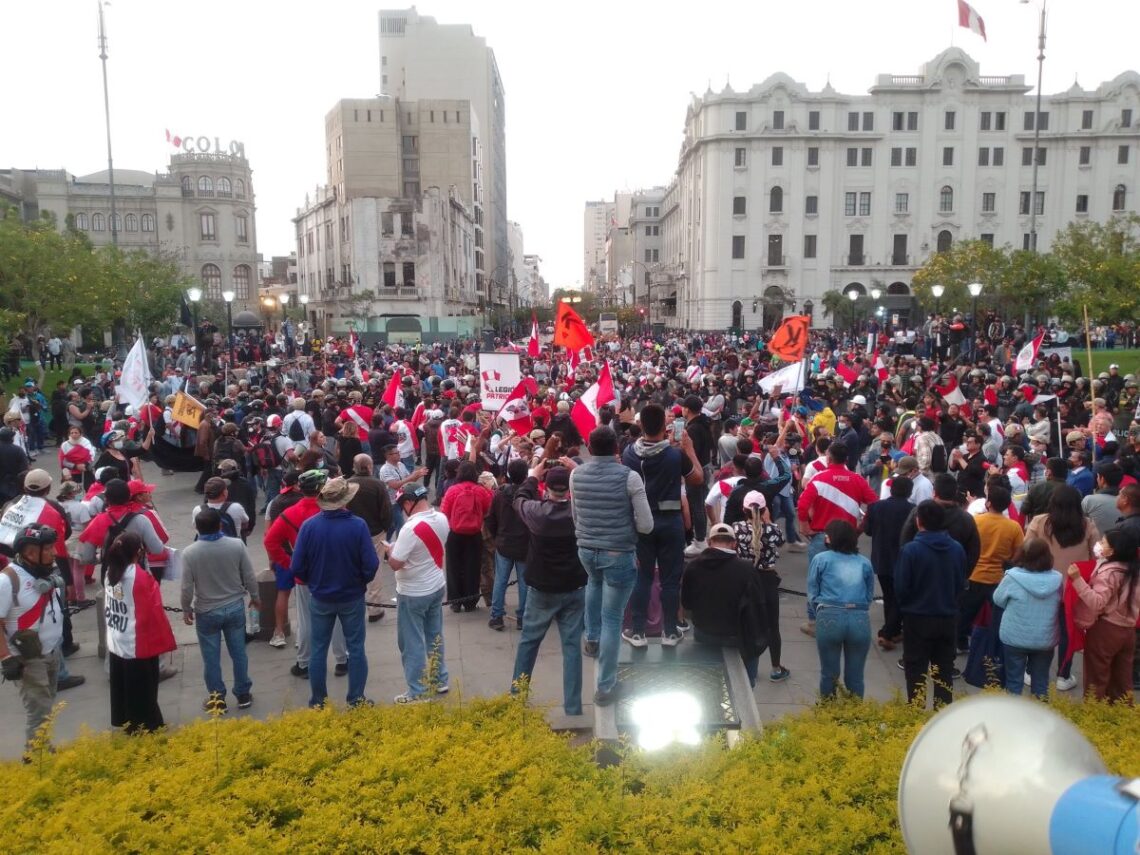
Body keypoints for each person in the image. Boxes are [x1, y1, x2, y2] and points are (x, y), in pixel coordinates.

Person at [569, 427, 653, 702]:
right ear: (616, 447)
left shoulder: (576, 474)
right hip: (618, 552)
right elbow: (646, 524)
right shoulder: (629, 478)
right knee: (613, 619)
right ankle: (606, 687)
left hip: (586, 549)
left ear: (589, 449)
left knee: (593, 582)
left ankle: (591, 639)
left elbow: (575, 516)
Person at [621, 403, 705, 648]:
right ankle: (670, 631)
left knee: (643, 577)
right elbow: (698, 479)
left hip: (641, 523)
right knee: (669, 579)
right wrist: (689, 450)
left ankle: (637, 632)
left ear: (640, 425)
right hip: (670, 524)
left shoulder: (629, 453)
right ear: (665, 426)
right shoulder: (674, 454)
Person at [291, 476, 379, 708]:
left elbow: (297, 566)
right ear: (346, 499)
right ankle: (356, 699)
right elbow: (371, 564)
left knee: (318, 649)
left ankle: (318, 700)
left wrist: (314, 581)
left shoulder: (309, 526)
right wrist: (360, 581)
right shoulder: (357, 525)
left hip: (320, 596)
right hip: (351, 595)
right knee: (356, 648)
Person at [510, 464, 587, 715]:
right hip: (574, 585)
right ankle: (573, 707)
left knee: (529, 642)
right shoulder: (580, 512)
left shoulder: (537, 513)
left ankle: (517, 698)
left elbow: (519, 499)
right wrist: (578, 469)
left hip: (542, 588)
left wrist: (532, 476)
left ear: (547, 489)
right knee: (572, 647)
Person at [180, 508, 259, 713]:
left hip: (206, 610)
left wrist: (186, 608)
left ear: (196, 527)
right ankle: (243, 694)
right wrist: (256, 597)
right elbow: (249, 575)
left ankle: (217, 699)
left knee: (211, 657)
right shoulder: (236, 545)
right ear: (221, 525)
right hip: (234, 606)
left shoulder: (190, 553)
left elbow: (187, 587)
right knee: (239, 653)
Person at [0, 524, 68, 757]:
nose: (54, 552)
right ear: (30, 552)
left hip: (51, 652)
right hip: (28, 660)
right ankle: (36, 760)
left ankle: (43, 749)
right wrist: (6, 657)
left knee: (47, 704)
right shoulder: (7, 581)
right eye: (48, 548)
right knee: (39, 711)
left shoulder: (46, 570)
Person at [796, 443, 878, 637]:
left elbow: (802, 504)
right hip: (848, 537)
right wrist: (860, 528)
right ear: (846, 459)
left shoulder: (818, 478)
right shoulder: (857, 480)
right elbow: (874, 505)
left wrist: (804, 525)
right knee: (847, 579)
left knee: (817, 579)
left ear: (829, 459)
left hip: (821, 536)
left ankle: (815, 622)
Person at [1024, 483, 1099, 691]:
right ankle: (1063, 676)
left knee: (1042, 629)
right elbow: (1097, 556)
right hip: (1074, 588)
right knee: (1067, 632)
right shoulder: (1087, 525)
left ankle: (1032, 671)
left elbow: (1026, 549)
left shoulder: (1040, 522)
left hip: (1043, 585)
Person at [894, 500, 967, 708]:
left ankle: (916, 715)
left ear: (918, 522)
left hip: (917, 618)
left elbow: (901, 587)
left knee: (916, 670)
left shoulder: (911, 550)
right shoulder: (957, 549)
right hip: (948, 617)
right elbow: (961, 581)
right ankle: (942, 718)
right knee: (944, 670)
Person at [383, 485, 451, 703]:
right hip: (436, 585)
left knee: (411, 642)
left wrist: (390, 551)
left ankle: (417, 691)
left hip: (413, 592)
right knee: (435, 635)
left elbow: (395, 564)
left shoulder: (410, 528)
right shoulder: (441, 518)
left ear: (409, 503)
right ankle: (440, 679)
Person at [103, 532, 176, 733]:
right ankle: (149, 727)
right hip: (138, 642)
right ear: (139, 552)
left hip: (118, 638)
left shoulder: (111, 571)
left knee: (123, 687)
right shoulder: (139, 577)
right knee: (144, 690)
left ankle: (127, 722)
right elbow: (153, 611)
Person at [681, 521, 770, 687]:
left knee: (706, 682)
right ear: (734, 544)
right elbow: (758, 606)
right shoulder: (746, 569)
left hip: (704, 634)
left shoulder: (693, 567)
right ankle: (748, 686)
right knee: (745, 683)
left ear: (709, 542)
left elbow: (686, 603)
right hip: (738, 637)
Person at [1068, 528, 1140, 703]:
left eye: (1103, 542)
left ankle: (1094, 716)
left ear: (1113, 550)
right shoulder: (1133, 571)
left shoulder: (1109, 573)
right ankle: (1122, 718)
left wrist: (1078, 579)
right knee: (1122, 680)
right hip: (1128, 631)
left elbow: (1097, 602)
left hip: (1106, 630)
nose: (1099, 544)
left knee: (1096, 678)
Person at [807, 519, 873, 698]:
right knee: (856, 676)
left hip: (829, 614)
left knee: (829, 673)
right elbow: (868, 595)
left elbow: (812, 592)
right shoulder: (864, 563)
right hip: (859, 617)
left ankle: (828, 712)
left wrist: (818, 611)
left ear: (832, 538)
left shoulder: (821, 559)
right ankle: (854, 713)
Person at [728, 490, 788, 681]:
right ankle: (776, 668)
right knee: (772, 626)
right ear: (764, 510)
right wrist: (768, 521)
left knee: (743, 622)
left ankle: (741, 663)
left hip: (744, 579)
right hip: (767, 579)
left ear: (743, 509)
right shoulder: (773, 530)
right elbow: (780, 542)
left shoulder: (736, 528)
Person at [993, 537, 1062, 700]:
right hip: (1045, 639)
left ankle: (1014, 720)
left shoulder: (1012, 577)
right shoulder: (1057, 580)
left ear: (1021, 555)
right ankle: (1039, 721)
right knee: (1041, 684)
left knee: (1013, 682)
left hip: (1014, 637)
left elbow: (998, 600)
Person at [959, 485, 1023, 653]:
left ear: (988, 503)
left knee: (966, 612)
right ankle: (994, 647)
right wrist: (1008, 562)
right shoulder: (1014, 527)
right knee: (997, 616)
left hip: (975, 574)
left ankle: (961, 642)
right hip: (999, 578)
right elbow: (1019, 552)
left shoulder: (976, 521)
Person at [864, 476, 915, 650]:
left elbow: (868, 531)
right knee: (900, 597)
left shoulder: (876, 507)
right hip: (903, 559)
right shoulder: (913, 510)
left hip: (881, 557)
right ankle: (888, 632)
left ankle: (890, 630)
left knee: (888, 595)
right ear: (909, 491)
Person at [344, 454, 392, 624]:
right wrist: (386, 527)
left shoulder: (346, 484)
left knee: (352, 568)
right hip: (375, 531)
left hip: (350, 533)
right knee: (375, 569)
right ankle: (374, 608)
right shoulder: (377, 485)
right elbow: (386, 510)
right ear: (370, 466)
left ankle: (353, 606)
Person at [440, 461, 493, 612]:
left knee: (453, 567)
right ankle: (470, 602)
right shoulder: (480, 491)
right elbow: (488, 510)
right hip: (475, 534)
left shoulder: (452, 490)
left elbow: (444, 512)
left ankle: (455, 602)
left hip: (455, 533)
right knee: (473, 568)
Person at [486, 459, 532, 631]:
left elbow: (490, 518)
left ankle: (497, 615)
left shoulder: (499, 494)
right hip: (524, 543)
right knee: (524, 582)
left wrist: (497, 535)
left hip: (504, 542)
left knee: (500, 580)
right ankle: (523, 618)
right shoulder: (531, 493)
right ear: (526, 475)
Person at [1082, 461, 1123, 538]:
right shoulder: (1128, 502)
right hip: (1122, 545)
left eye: (1097, 476)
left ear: (1102, 479)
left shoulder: (1089, 500)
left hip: (1096, 546)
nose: (1097, 479)